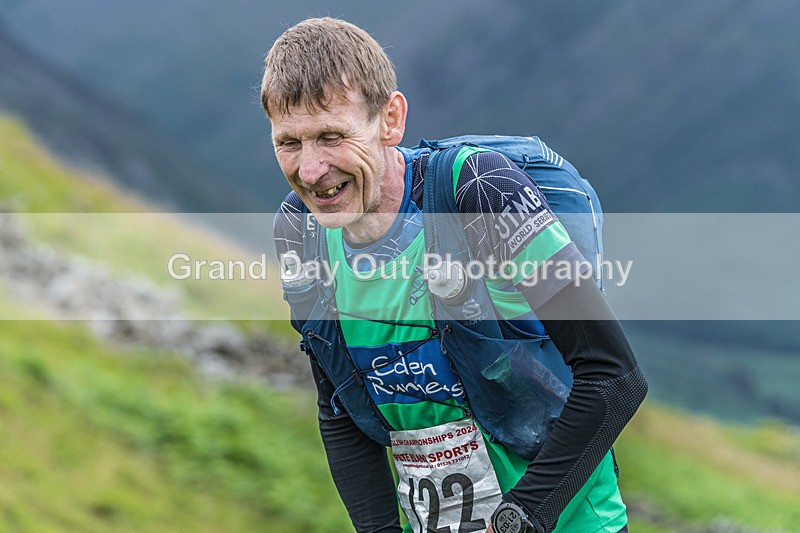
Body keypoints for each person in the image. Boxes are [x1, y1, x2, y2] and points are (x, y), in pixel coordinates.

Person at [262, 17, 647, 533]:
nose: (310, 171)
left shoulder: (480, 195)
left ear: (390, 120)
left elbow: (613, 379)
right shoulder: (300, 232)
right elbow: (339, 409)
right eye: (290, 143)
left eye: (332, 136)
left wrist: (520, 518)